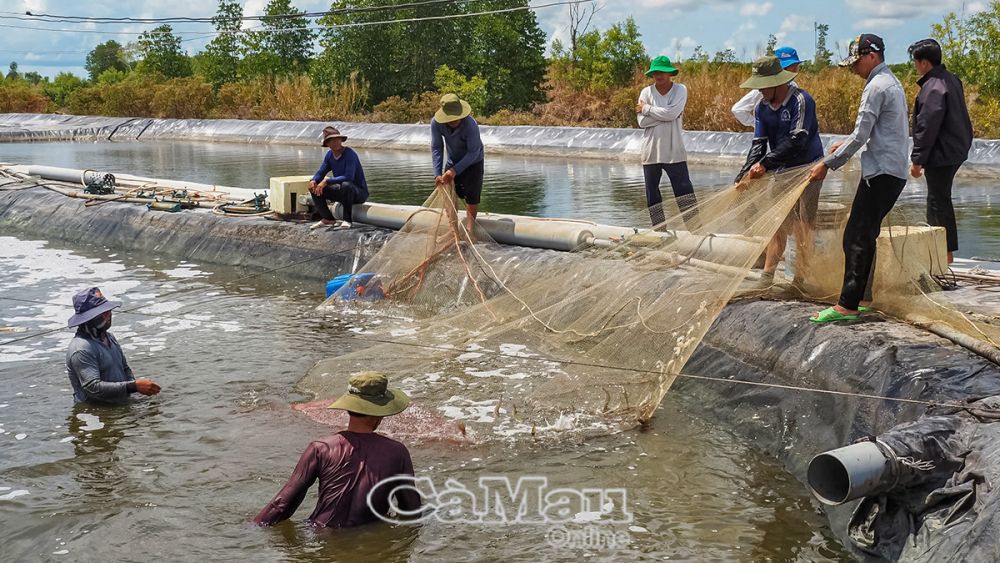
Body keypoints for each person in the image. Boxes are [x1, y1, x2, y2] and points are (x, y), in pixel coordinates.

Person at [808, 34, 909, 323]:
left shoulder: (876, 86)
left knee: (856, 236)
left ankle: (847, 305)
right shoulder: (891, 82)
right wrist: (845, 143)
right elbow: (874, 132)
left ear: (872, 56)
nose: (853, 68)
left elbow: (863, 133)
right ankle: (863, 298)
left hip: (881, 173)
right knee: (865, 234)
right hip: (891, 171)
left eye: (856, 62)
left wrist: (828, 164)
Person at [255, 371, 421, 528]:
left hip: (319, 534)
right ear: (380, 412)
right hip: (366, 543)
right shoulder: (397, 453)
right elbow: (410, 511)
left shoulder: (320, 448)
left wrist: (250, 531)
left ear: (349, 407)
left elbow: (281, 506)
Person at [735, 55, 824, 287]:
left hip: (808, 168)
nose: (760, 91)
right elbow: (758, 145)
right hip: (781, 169)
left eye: (764, 86)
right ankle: (767, 277)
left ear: (778, 82)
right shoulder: (762, 108)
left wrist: (764, 164)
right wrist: (744, 175)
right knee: (777, 223)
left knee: (804, 222)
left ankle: (800, 279)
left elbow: (798, 140)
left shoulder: (801, 101)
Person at [908, 38, 973, 265]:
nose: (915, 66)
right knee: (938, 197)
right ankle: (942, 251)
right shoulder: (950, 79)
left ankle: (942, 254)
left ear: (924, 63)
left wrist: (917, 160)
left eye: (916, 62)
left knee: (937, 200)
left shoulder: (933, 87)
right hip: (955, 149)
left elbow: (927, 126)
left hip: (942, 152)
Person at [65, 287, 161, 403]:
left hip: (119, 403)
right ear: (88, 319)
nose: (109, 315)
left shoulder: (110, 337)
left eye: (108, 311)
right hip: (95, 415)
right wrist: (133, 386)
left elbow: (125, 368)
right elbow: (93, 388)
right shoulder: (81, 348)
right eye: (103, 313)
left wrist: (135, 390)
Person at [637, 55, 697, 227]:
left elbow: (670, 114)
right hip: (651, 151)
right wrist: (668, 115)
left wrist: (647, 109)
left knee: (685, 192)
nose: (659, 75)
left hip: (674, 151)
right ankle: (659, 231)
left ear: (669, 73)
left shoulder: (680, 90)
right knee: (653, 196)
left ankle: (695, 229)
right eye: (655, 72)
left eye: (662, 72)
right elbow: (642, 122)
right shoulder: (646, 92)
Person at [431, 93, 485, 235]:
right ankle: (454, 231)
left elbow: (473, 152)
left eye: (457, 118)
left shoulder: (470, 124)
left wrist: (454, 171)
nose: (454, 121)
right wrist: (437, 173)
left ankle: (470, 229)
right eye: (451, 118)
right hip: (453, 160)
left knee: (472, 195)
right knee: (449, 192)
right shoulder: (436, 123)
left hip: (473, 160)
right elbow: (437, 147)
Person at [309, 126, 369, 231]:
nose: (336, 142)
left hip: (357, 193)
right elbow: (321, 172)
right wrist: (314, 180)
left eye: (337, 139)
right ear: (327, 144)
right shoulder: (329, 156)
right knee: (315, 187)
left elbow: (349, 177)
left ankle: (347, 220)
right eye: (332, 141)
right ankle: (328, 218)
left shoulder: (350, 154)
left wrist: (327, 181)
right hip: (343, 193)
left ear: (341, 140)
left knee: (346, 184)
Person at [732, 46, 803, 127]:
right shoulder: (765, 88)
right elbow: (738, 109)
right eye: (791, 66)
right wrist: (760, 125)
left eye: (796, 66)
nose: (794, 70)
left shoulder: (794, 86)